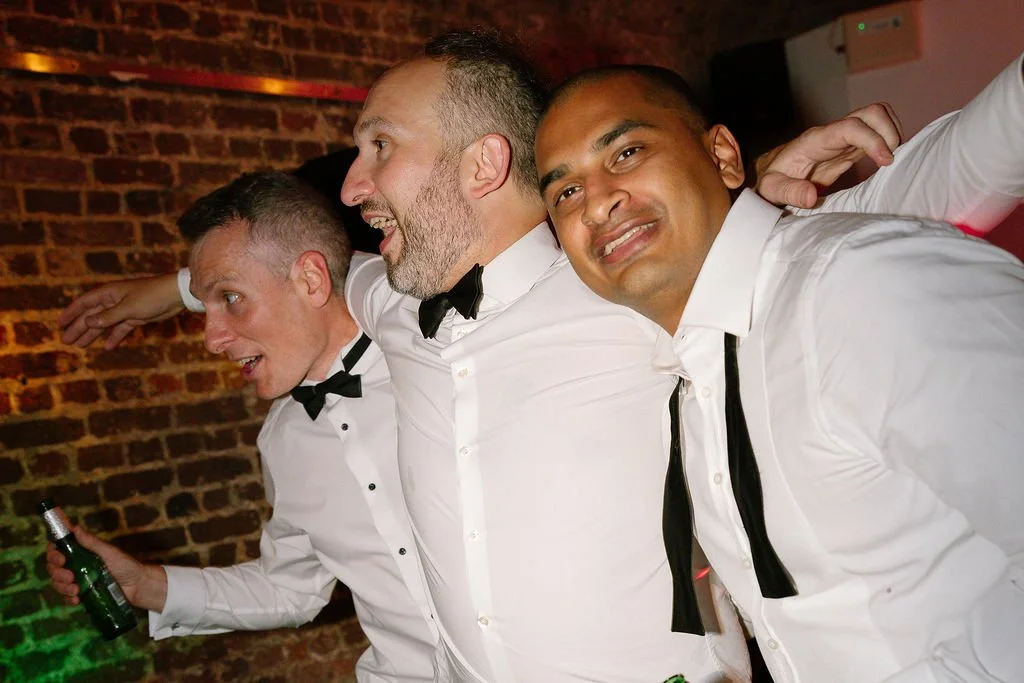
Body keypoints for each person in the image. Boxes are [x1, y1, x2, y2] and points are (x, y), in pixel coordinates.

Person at [54, 30, 1013, 683]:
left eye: (376, 146)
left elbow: (899, 198)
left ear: (480, 168)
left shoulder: (634, 280)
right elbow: (293, 277)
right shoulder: (382, 298)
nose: (352, 185)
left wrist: (736, 185)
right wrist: (166, 294)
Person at [533, 52, 1024, 682]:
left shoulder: (859, 286)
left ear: (723, 156)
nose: (596, 203)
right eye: (566, 191)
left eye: (626, 153)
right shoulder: (687, 369)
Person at [47, 171, 439, 682]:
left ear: (311, 280)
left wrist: (176, 290)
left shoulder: (436, 344)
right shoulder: (281, 440)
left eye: (229, 299)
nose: (211, 339)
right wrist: (145, 585)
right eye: (206, 308)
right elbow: (289, 589)